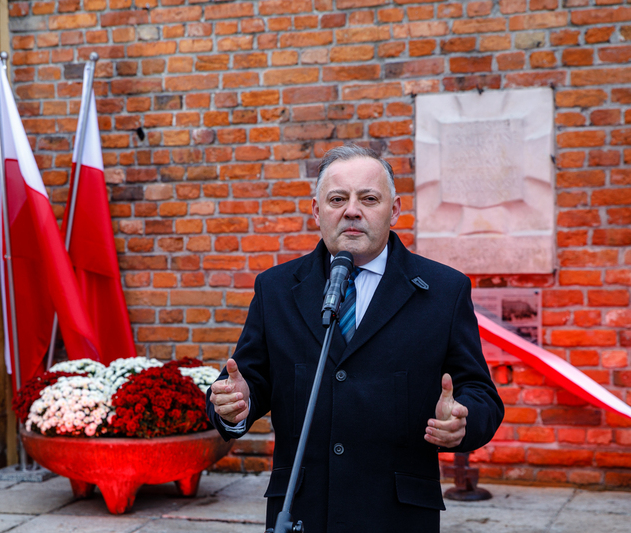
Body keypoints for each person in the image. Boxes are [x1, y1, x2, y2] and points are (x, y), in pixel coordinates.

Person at [206, 144, 504, 532]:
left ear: (394, 210)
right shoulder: (276, 289)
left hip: (396, 516)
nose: (351, 210)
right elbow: (247, 383)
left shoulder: (443, 291)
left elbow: (479, 392)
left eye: (368, 198)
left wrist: (464, 421)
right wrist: (233, 404)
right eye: (337, 199)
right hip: (301, 513)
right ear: (317, 211)